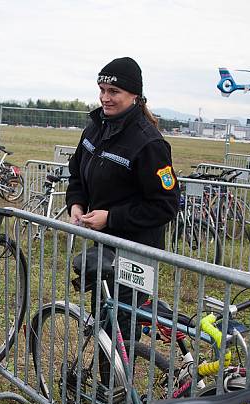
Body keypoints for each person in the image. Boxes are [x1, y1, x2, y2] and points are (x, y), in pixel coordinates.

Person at [65, 57, 180, 355]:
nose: (105, 97)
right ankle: (103, 390)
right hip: (103, 247)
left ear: (134, 96)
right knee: (103, 320)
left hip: (135, 255)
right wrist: (76, 202)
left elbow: (165, 205)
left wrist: (111, 218)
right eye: (102, 89)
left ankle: (116, 395)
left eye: (113, 92)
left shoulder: (149, 143)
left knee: (121, 330)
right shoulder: (95, 128)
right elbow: (77, 172)